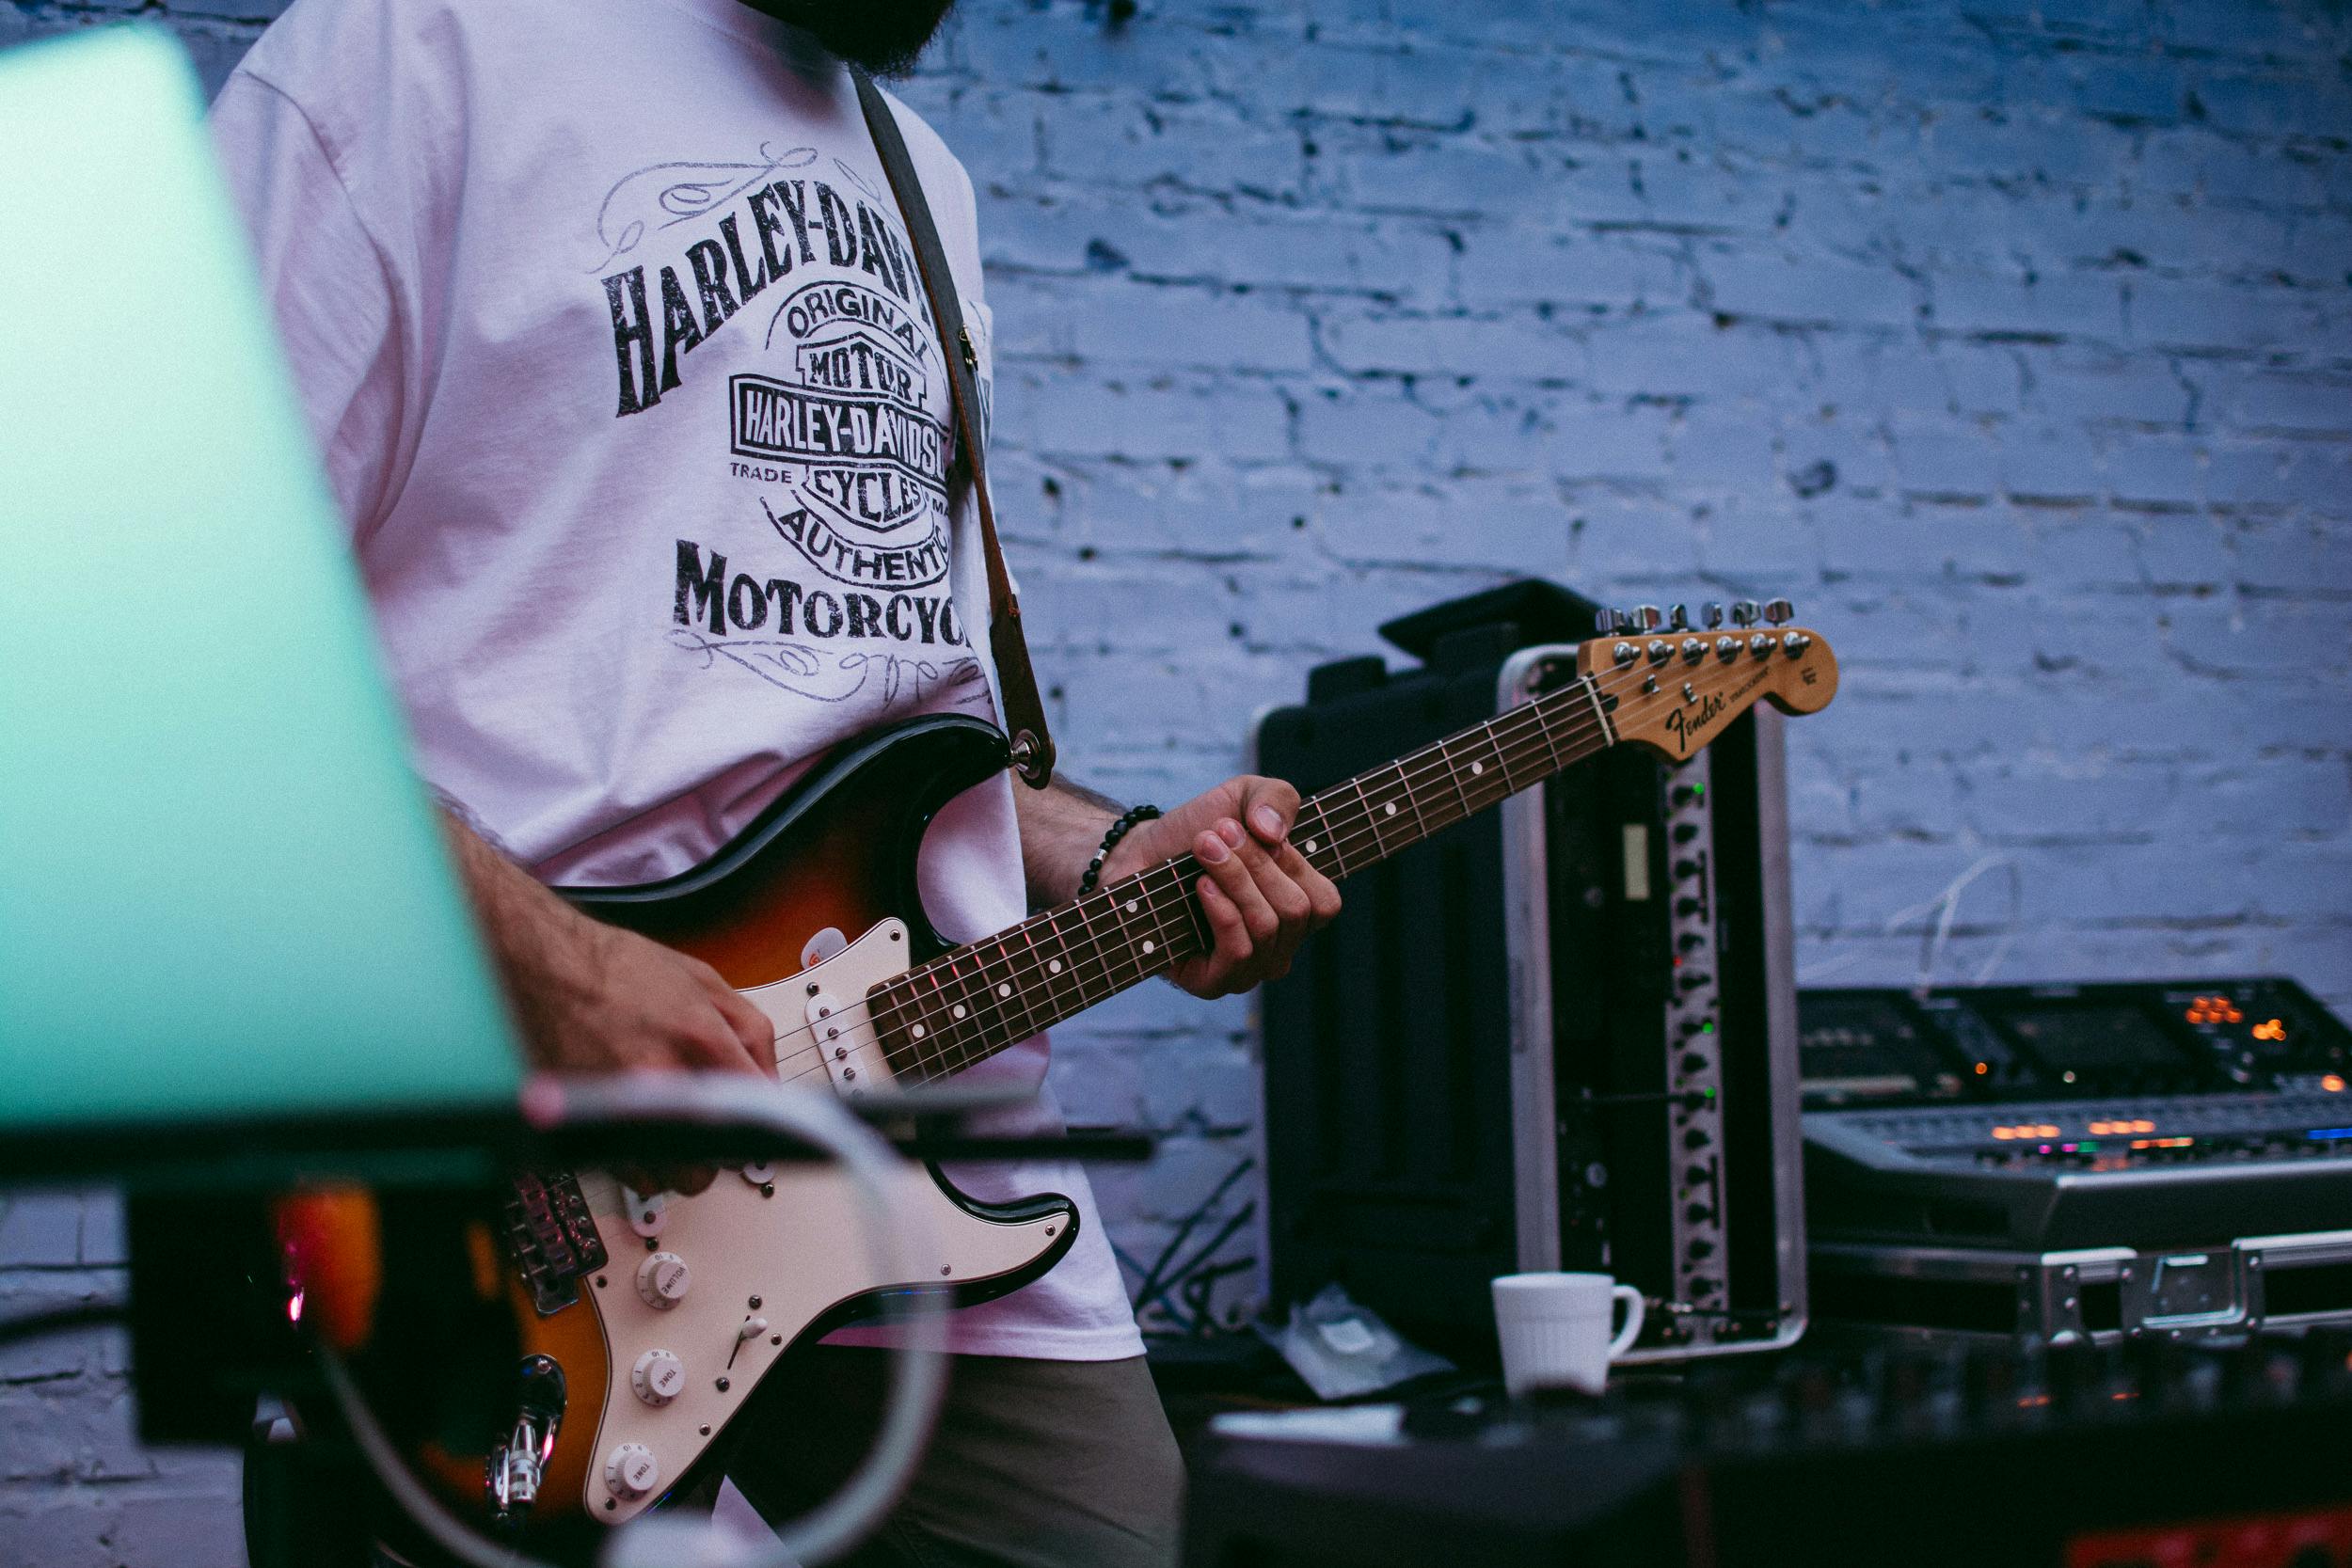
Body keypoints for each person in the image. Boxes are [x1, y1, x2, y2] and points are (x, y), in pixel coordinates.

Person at [209, 0, 1340, 1563]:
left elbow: (881, 724)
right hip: (514, 1159)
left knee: (1101, 1529)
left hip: (919, 1147)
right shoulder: (415, 52)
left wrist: (1115, 856)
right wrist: (555, 967)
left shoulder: (920, 182)